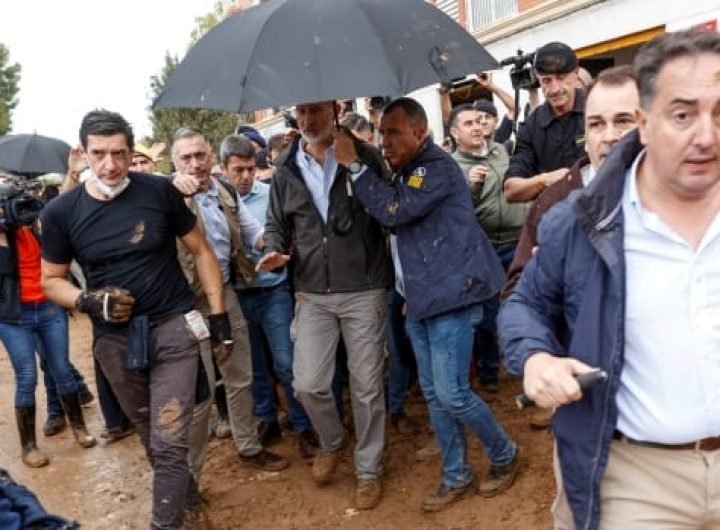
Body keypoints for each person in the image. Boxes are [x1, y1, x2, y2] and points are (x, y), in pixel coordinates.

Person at [499, 30, 720, 529]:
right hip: (636, 478)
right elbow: (523, 303)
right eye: (683, 114)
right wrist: (536, 358)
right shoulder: (574, 221)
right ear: (651, 122)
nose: (704, 135)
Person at [40, 109, 232, 530]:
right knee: (151, 435)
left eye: (120, 153)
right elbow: (51, 281)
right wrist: (89, 300)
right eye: (100, 153)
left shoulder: (159, 192)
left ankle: (165, 524)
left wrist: (218, 317)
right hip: (116, 342)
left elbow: (201, 251)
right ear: (84, 153)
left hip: (173, 328)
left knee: (168, 438)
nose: (111, 165)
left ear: (132, 151)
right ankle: (189, 500)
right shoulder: (62, 212)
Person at [334, 97, 521, 512]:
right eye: (381, 133)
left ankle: (505, 455)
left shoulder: (433, 169)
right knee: (436, 395)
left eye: (394, 132)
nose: (385, 141)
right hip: (422, 298)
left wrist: (355, 164)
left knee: (453, 394)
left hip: (451, 295)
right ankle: (456, 475)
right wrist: (409, 293)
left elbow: (393, 213)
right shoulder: (408, 169)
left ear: (421, 132)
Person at [257, 100, 393, 510]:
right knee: (308, 384)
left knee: (368, 386)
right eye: (301, 112)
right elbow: (277, 223)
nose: (308, 120)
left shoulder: (365, 155)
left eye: (315, 110)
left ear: (334, 109)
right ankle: (332, 441)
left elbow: (388, 210)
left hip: (364, 287)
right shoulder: (285, 168)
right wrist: (277, 250)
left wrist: (355, 166)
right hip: (312, 292)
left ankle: (368, 468)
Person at [170, 127, 289, 472]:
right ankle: (189, 476)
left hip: (225, 294)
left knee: (239, 375)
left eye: (200, 155)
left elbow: (251, 231)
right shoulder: (166, 197)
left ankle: (249, 448)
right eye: (186, 158)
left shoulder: (223, 189)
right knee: (199, 392)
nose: (195, 164)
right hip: (186, 305)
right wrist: (172, 191)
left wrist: (273, 247)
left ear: (212, 156)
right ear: (174, 163)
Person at [218, 133, 319, 460]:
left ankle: (303, 425)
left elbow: (284, 236)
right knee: (255, 366)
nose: (245, 176)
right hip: (239, 295)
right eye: (238, 170)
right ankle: (267, 419)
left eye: (250, 168)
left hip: (274, 290)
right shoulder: (216, 201)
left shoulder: (271, 194)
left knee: (287, 362)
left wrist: (277, 249)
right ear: (224, 168)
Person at [0, 178, 95, 468]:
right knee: (27, 377)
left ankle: (80, 428)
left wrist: (70, 174)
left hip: (49, 307)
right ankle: (29, 446)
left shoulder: (38, 225)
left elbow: (60, 206)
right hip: (14, 317)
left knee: (62, 369)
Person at [449, 102, 528, 391]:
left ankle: (525, 363)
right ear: (455, 133)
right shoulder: (452, 167)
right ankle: (490, 371)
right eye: (469, 123)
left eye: (481, 121)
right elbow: (456, 215)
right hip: (484, 249)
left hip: (518, 242)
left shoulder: (502, 152)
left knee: (523, 305)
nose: (478, 126)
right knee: (487, 315)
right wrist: (469, 187)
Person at [504, 41, 586, 203]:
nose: (555, 89)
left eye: (561, 78)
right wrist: (543, 181)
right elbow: (511, 190)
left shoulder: (597, 110)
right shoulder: (530, 128)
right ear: (538, 80)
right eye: (547, 81)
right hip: (557, 220)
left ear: (576, 74)